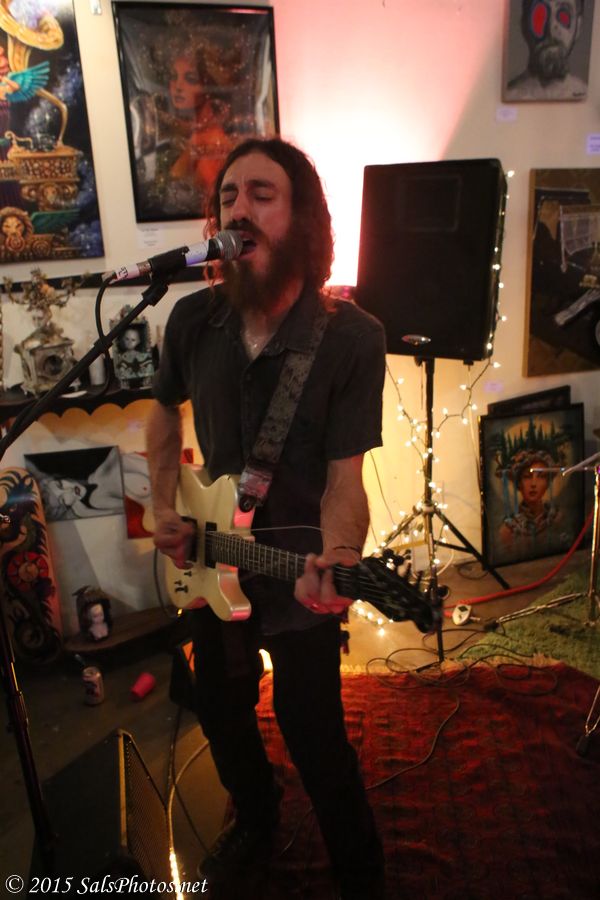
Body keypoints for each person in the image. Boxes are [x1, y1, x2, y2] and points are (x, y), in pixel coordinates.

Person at [146, 137, 386, 899]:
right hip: (209, 561)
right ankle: (256, 814)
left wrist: (339, 555)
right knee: (219, 707)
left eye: (261, 194)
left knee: (312, 728)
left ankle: (360, 869)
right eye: (228, 197)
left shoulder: (352, 338)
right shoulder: (191, 319)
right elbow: (162, 409)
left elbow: (345, 479)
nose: (239, 210)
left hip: (295, 570)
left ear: (302, 217)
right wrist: (162, 503)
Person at [131, 50, 233, 218]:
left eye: (190, 79)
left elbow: (214, 208)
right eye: (173, 77)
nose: (177, 87)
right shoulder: (192, 133)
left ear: (209, 86)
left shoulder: (212, 142)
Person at [505, 0, 588, 101]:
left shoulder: (584, 93)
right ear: (525, 25)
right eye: (540, 15)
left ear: (578, 27)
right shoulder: (511, 94)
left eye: (563, 14)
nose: (551, 28)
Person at [498, 449, 560, 545]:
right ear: (519, 483)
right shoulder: (508, 530)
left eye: (541, 476)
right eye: (527, 477)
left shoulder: (557, 519)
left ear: (547, 483)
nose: (533, 484)